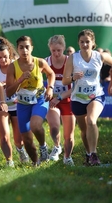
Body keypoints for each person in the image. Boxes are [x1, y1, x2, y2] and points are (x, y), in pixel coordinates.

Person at [62, 29, 112, 165]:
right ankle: (88, 154)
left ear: (93, 43)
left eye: (87, 42)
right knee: (84, 130)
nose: (85, 44)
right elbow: (65, 80)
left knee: (92, 121)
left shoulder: (99, 56)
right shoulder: (73, 58)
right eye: (82, 42)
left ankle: (94, 154)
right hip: (78, 98)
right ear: (78, 43)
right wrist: (73, 77)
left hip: (96, 95)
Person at [5, 36, 56, 166]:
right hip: (23, 103)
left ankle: (43, 147)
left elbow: (51, 74)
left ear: (31, 48)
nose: (24, 50)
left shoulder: (39, 62)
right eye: (21, 47)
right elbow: (9, 92)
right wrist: (20, 79)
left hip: (40, 99)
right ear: (17, 49)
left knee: (35, 125)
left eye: (27, 47)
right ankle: (35, 162)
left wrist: (50, 88)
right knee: (26, 139)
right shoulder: (12, 67)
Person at [0, 37, 29, 167]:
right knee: (4, 137)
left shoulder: (16, 64)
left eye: (5, 57)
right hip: (0, 105)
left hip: (17, 105)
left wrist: (12, 85)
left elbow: (26, 83)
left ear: (9, 53)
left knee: (19, 139)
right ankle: (9, 161)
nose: (3, 60)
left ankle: (21, 151)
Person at [45, 35, 76, 165]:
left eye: (59, 50)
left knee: (69, 135)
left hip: (68, 99)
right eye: (53, 51)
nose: (56, 54)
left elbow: (76, 87)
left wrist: (60, 97)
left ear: (63, 48)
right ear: (50, 49)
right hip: (52, 100)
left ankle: (67, 157)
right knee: (54, 127)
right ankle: (57, 147)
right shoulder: (46, 62)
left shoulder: (70, 61)